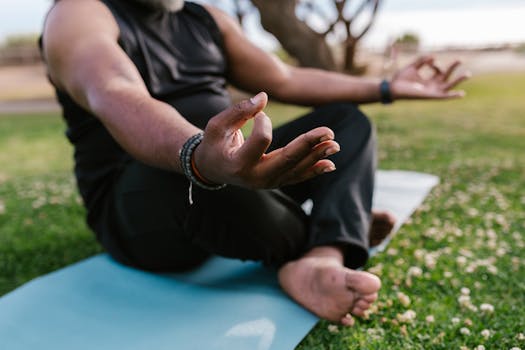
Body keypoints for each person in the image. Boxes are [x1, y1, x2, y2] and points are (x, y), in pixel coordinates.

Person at [41, 0, 468, 326]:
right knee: (191, 175)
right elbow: (116, 90)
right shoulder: (79, 14)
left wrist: (387, 87)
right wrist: (196, 154)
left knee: (345, 122)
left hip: (226, 172)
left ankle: (321, 255)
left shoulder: (203, 18)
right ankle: (334, 225)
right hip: (139, 201)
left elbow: (285, 79)